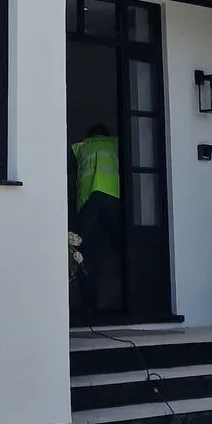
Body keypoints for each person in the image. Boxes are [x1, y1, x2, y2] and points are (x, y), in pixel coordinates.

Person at [72, 122, 121, 312]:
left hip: (87, 202)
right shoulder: (116, 145)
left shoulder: (81, 147)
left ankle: (88, 304)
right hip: (113, 198)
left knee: (86, 254)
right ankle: (136, 296)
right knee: (123, 250)